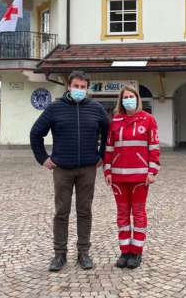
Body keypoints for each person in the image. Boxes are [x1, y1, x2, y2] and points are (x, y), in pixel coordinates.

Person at [30, 71, 109, 272]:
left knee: (85, 211)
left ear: (87, 88)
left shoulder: (96, 108)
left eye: (83, 87)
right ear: (68, 86)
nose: (79, 90)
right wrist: (43, 158)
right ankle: (59, 254)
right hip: (62, 169)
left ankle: (83, 252)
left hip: (88, 169)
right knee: (61, 212)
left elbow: (108, 133)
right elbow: (36, 133)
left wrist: (102, 155)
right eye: (76, 86)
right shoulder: (55, 108)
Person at [103, 86, 160, 269]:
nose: (128, 100)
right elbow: (109, 148)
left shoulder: (148, 119)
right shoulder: (115, 121)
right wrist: (107, 170)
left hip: (140, 177)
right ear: (121, 101)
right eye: (125, 97)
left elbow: (154, 147)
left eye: (131, 96)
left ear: (137, 99)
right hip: (119, 177)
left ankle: (136, 252)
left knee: (139, 215)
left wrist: (152, 171)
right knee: (122, 216)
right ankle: (125, 251)